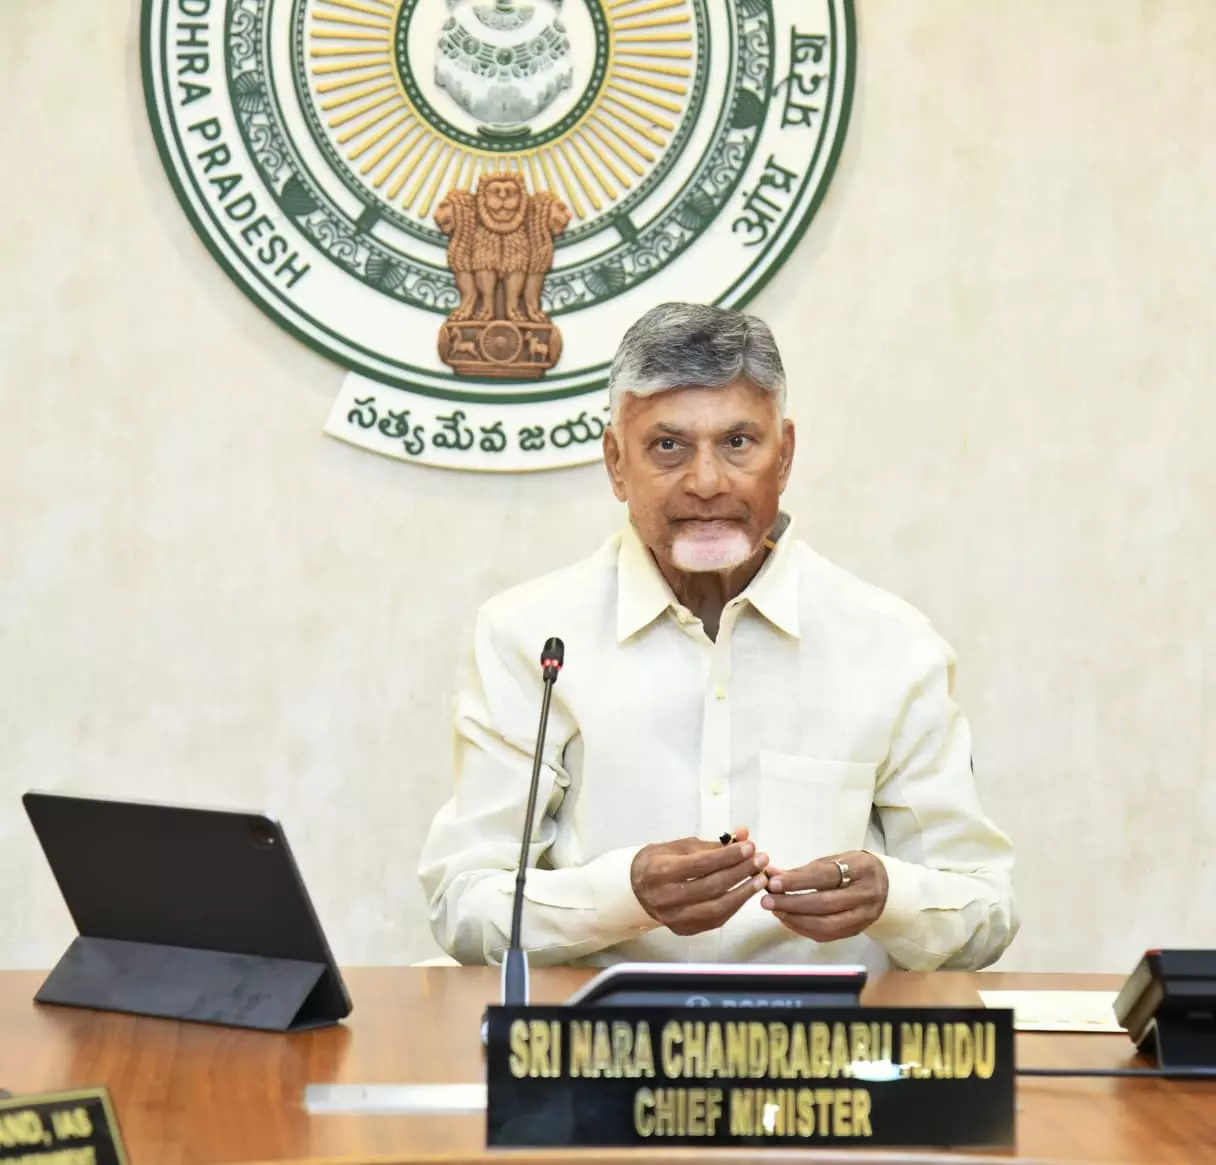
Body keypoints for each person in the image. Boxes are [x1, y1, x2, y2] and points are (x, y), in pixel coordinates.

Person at [418, 303, 1017, 972]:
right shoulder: (529, 637)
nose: (706, 482)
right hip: (598, 1035)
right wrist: (623, 896)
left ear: (783, 456)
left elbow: (985, 911)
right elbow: (462, 902)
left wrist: (891, 898)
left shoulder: (892, 645)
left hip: (823, 1038)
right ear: (616, 462)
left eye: (737, 443)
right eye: (667, 446)